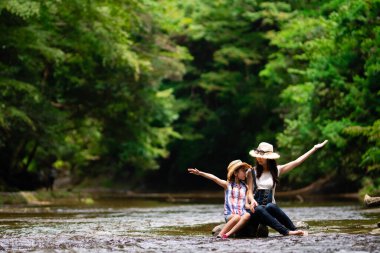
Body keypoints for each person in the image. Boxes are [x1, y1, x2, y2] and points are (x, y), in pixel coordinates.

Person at [246, 140, 328, 236]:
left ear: (269, 158)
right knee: (259, 209)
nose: (259, 158)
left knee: (271, 206)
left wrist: (314, 148)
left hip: (268, 211)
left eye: (262, 157)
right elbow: (249, 192)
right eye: (258, 156)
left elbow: (297, 162)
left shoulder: (277, 170)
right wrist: (252, 200)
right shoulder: (251, 172)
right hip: (255, 210)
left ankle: (294, 229)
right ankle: (286, 232)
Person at [188, 160, 252, 239]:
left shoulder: (246, 187)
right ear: (235, 173)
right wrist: (200, 173)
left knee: (247, 215)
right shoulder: (227, 185)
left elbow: (245, 204)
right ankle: (221, 234)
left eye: (245, 171)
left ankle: (228, 234)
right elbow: (214, 178)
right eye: (243, 171)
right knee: (237, 217)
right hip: (230, 215)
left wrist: (251, 206)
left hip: (241, 213)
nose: (245, 173)